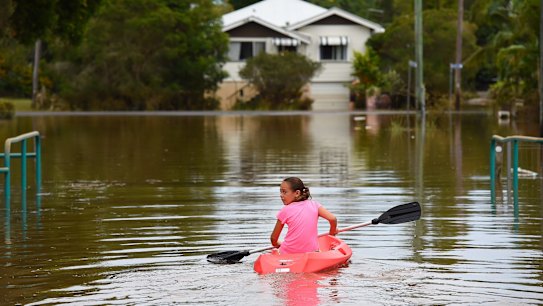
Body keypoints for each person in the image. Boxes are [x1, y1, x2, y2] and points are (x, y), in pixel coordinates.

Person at [270, 177, 338, 254]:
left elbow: (273, 239)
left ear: (297, 193)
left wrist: (280, 245)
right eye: (280, 192)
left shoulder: (285, 210)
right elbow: (332, 219)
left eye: (284, 192)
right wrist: (332, 234)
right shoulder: (314, 205)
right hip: (313, 253)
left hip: (288, 253)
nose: (281, 195)